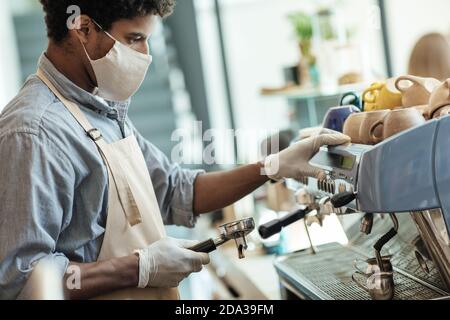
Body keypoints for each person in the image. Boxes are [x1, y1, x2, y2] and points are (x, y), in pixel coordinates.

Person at [0, 0, 350, 300]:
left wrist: (271, 167)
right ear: (83, 28)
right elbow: (22, 281)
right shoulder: (34, 132)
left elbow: (176, 190)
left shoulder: (98, 109)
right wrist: (139, 268)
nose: (145, 55)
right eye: (134, 38)